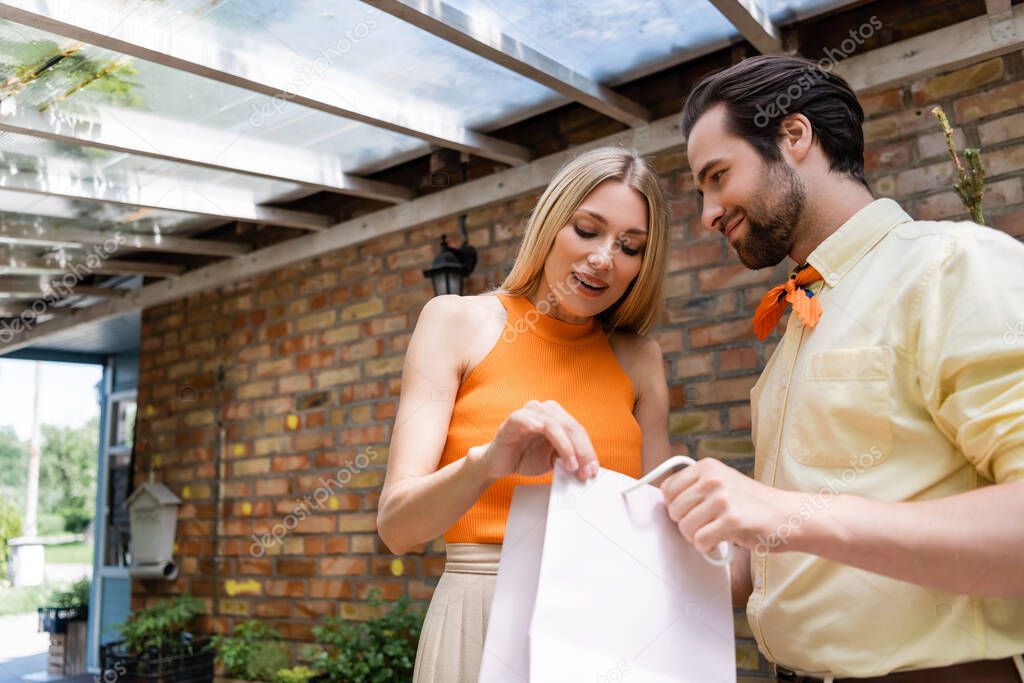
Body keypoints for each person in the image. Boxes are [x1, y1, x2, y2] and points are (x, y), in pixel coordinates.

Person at [662, 55, 1024, 682]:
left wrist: (776, 513)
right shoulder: (797, 331)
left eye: (718, 176)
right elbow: (796, 557)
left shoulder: (952, 266)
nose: (708, 213)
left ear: (794, 136)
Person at [377, 146, 672, 682]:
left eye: (631, 246)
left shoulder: (642, 360)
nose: (605, 258)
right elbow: (397, 526)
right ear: (551, 224)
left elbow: (652, 530)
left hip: (607, 620)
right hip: (482, 615)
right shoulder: (456, 321)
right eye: (587, 230)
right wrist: (488, 461)